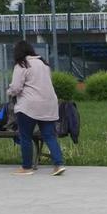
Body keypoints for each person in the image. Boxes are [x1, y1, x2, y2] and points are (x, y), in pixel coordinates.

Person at [6, 41, 65, 176]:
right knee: (49, 136)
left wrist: (9, 92)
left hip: (29, 106)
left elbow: (16, 87)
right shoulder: (44, 64)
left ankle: (26, 167)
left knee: (25, 136)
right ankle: (58, 164)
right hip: (49, 105)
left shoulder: (21, 64)